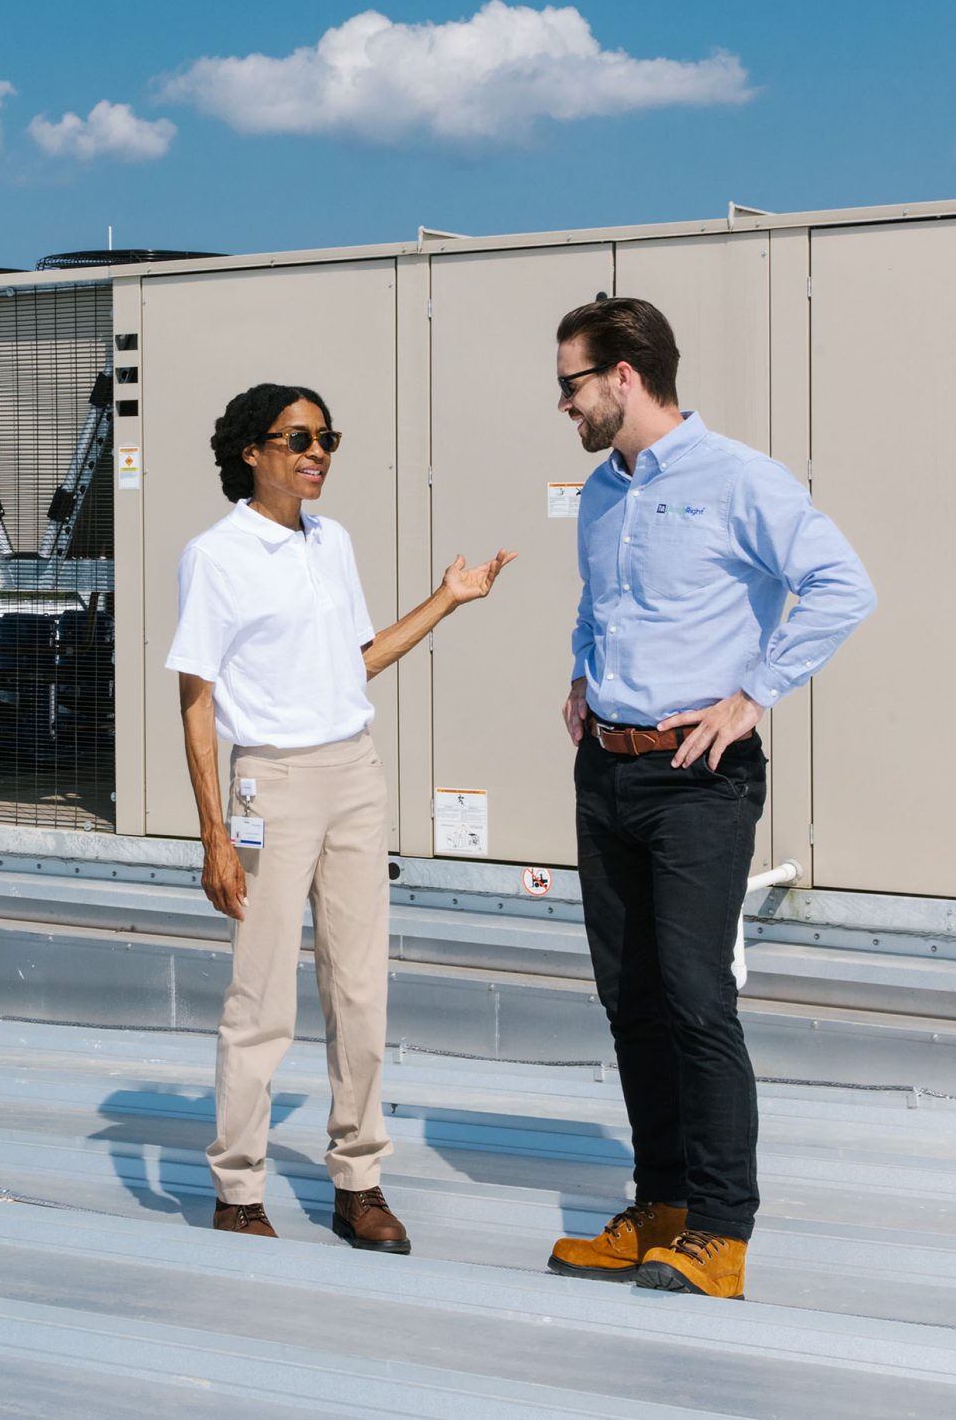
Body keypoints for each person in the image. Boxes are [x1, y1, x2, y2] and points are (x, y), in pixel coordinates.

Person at [546, 297, 873, 1300]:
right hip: (605, 768)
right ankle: (662, 1208)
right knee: (629, 999)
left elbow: (839, 585)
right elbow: (603, 601)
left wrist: (753, 693)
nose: (561, 403)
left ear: (623, 378)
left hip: (697, 781)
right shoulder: (604, 491)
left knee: (694, 998)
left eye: (570, 383)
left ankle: (721, 1233)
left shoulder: (738, 478)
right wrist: (579, 673)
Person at [169, 382, 514, 1250]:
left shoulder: (334, 543)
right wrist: (214, 832)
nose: (316, 451)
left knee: (360, 989)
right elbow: (196, 699)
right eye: (297, 437)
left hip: (354, 773)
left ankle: (359, 1179)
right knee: (260, 994)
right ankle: (238, 1188)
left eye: (326, 437)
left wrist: (448, 601)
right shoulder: (217, 554)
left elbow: (356, 662)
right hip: (269, 787)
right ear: (253, 451)